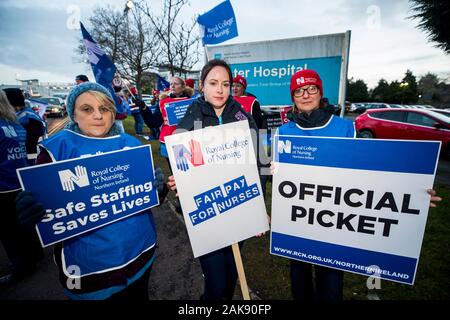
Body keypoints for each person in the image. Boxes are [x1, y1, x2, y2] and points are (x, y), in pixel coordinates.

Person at [275, 69, 442, 301]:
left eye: (311, 88)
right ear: (293, 97)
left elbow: (368, 172)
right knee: (299, 277)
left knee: (330, 280)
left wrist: (414, 194)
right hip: (300, 218)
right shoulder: (284, 131)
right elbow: (278, 172)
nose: (305, 95)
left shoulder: (344, 127)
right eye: (299, 91)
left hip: (335, 218)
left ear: (320, 92)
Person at [14, 82, 167, 300]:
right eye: (87, 109)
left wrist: (158, 191)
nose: (98, 115)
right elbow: (45, 214)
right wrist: (31, 213)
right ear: (73, 114)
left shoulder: (131, 144)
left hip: (140, 255)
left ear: (113, 113)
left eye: (104, 108)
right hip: (90, 270)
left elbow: (148, 199)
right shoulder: (56, 150)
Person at [168, 59, 259, 300]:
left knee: (230, 278)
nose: (220, 90)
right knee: (216, 285)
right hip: (207, 211)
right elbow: (178, 156)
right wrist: (179, 178)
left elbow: (256, 165)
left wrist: (258, 210)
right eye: (213, 83)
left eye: (226, 84)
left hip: (238, 208)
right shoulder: (192, 116)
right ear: (202, 86)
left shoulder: (243, 118)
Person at [0, 90, 43, 285]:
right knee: (24, 223)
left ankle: (22, 267)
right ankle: (35, 254)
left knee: (9, 232)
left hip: (4, 185)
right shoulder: (15, 124)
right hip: (20, 179)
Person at [159, 76, 194, 173]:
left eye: (176, 84)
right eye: (171, 84)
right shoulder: (163, 102)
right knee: (175, 173)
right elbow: (154, 121)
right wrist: (144, 108)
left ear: (183, 87)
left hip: (186, 140)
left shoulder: (192, 102)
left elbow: (198, 122)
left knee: (188, 171)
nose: (173, 86)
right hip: (169, 141)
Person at [3, 88, 46, 165]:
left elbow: (31, 148)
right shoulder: (24, 115)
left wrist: (29, 165)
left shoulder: (29, 119)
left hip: (31, 164)